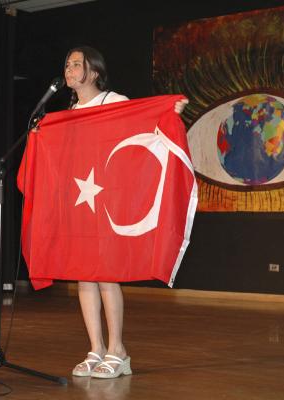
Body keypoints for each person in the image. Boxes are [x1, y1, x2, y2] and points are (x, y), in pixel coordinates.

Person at [64, 46, 188, 379]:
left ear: (94, 73)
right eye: (67, 64)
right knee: (84, 274)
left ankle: (118, 350)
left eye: (78, 64)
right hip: (82, 203)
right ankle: (95, 348)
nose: (70, 69)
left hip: (108, 202)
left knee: (106, 273)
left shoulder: (112, 101)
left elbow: (145, 119)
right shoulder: (68, 113)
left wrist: (168, 109)